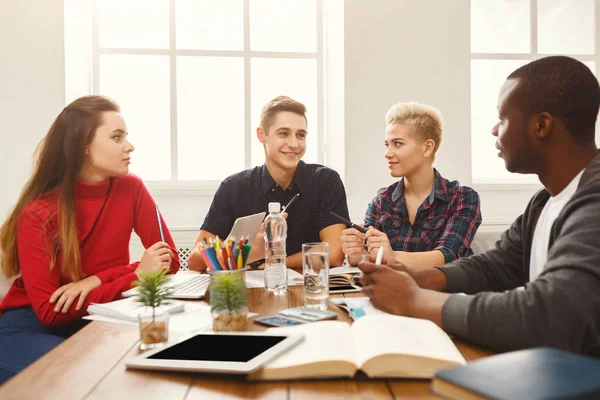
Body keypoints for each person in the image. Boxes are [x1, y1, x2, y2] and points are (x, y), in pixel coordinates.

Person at [358, 56, 600, 356]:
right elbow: (494, 267)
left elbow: (549, 313)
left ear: (541, 125)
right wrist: (420, 278)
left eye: (504, 119)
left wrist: (415, 300)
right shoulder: (545, 201)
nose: (495, 130)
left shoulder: (594, 199)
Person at [0, 95, 180, 383]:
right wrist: (137, 275)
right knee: (88, 374)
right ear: (84, 145)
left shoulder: (131, 188)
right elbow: (50, 311)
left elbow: (169, 259)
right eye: (117, 137)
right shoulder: (39, 213)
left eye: (126, 137)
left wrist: (97, 279)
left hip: (97, 318)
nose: (129, 146)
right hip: (29, 325)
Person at [187, 96, 349, 271]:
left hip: (308, 289)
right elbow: (194, 261)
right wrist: (240, 249)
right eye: (283, 133)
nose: (294, 144)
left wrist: (275, 261)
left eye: (300, 135)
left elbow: (333, 254)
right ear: (261, 135)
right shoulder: (233, 187)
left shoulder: (325, 181)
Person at [341, 102, 481, 269]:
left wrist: (390, 255)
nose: (387, 153)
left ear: (427, 147)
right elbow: (369, 257)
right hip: (395, 291)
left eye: (398, 143)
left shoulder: (462, 198)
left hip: (445, 293)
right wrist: (355, 253)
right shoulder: (381, 200)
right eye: (387, 145)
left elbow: (448, 255)